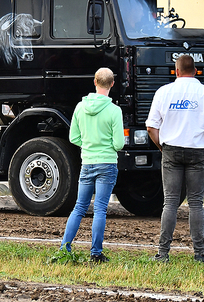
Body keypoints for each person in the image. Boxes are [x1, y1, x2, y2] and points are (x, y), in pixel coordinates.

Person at [146, 54, 204, 263]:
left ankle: (163, 253)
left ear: (176, 71)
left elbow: (151, 127)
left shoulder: (164, 92)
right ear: (196, 71)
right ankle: (200, 252)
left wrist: (161, 146)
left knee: (170, 202)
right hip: (198, 150)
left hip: (171, 149)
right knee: (196, 203)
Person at [59, 67, 124, 263]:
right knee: (100, 209)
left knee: (79, 207)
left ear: (94, 82)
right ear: (112, 84)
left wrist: (88, 145)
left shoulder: (80, 107)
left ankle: (64, 248)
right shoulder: (114, 111)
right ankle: (95, 253)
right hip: (107, 163)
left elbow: (73, 137)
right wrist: (106, 146)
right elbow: (119, 144)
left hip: (87, 162)